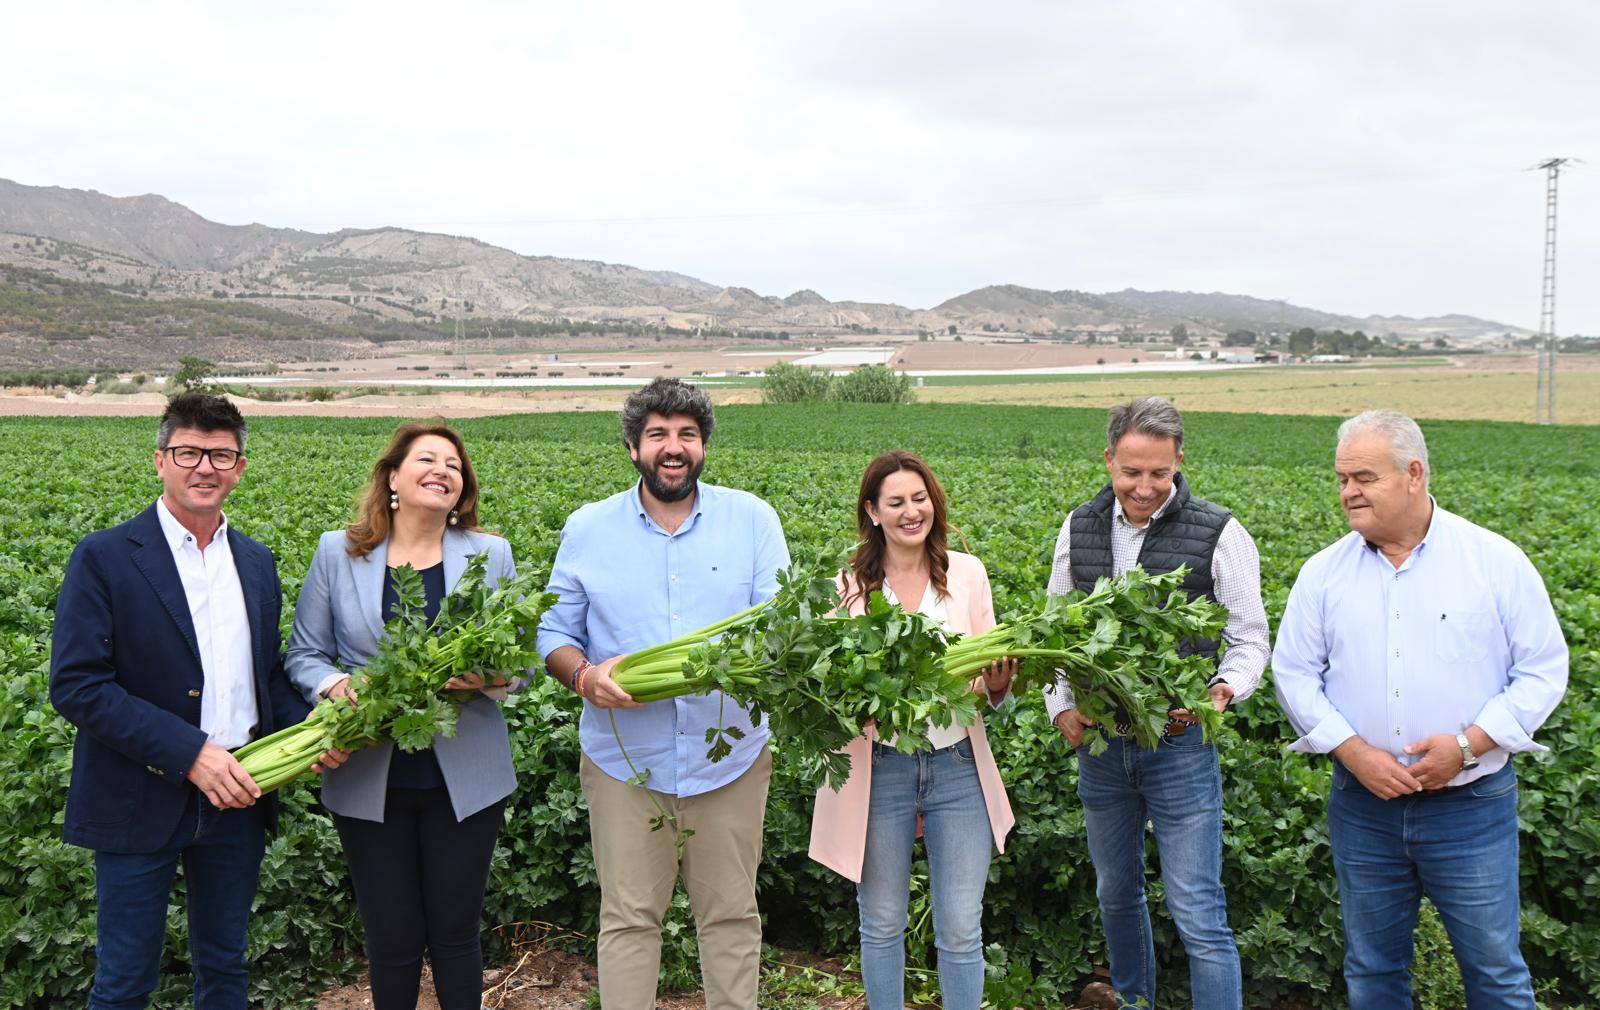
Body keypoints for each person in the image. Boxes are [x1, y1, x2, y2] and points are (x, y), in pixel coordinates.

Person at [1272, 410, 1567, 1009]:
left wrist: (1468, 745)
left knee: (1495, 972)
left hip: (1471, 808)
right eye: (1342, 478)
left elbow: (1542, 669)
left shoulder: (1494, 562)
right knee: (1374, 971)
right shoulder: (1324, 573)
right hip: (1364, 808)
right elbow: (1294, 673)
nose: (1348, 492)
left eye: (1363, 477)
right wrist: (1354, 754)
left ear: (1413, 473)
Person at [49, 393, 312, 1010]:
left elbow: (265, 676)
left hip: (238, 795)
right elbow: (79, 684)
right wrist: (191, 753)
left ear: (240, 467)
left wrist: (313, 732)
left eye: (221, 454)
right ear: (160, 461)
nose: (205, 467)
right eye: (188, 451)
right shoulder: (105, 557)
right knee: (124, 981)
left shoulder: (255, 561)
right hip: (137, 791)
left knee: (225, 970)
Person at [536, 378, 789, 1010]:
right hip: (625, 763)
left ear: (703, 446)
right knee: (627, 917)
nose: (672, 448)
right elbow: (554, 632)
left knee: (731, 916)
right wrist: (583, 676)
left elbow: (782, 628)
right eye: (658, 435)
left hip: (728, 760)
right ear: (633, 448)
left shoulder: (752, 519)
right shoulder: (588, 527)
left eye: (687, 435)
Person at [1042, 396, 1269, 1010]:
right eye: (1131, 472)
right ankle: (1134, 1001)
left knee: (1197, 905)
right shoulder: (1078, 527)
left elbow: (1249, 637)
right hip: (1103, 750)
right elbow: (1051, 634)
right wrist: (1060, 708)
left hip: (1179, 746)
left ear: (1178, 463)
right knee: (1116, 892)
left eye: (1159, 474)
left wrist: (1222, 692)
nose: (1144, 488)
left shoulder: (1221, 531)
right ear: (1109, 459)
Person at [285, 421, 521, 1010]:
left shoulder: (490, 555)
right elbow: (304, 653)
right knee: (390, 937)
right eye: (427, 459)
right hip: (368, 771)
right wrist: (337, 685)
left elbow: (521, 664)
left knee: (456, 933)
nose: (443, 470)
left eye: (454, 465)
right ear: (393, 476)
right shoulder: (337, 552)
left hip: (467, 775)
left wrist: (491, 677)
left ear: (461, 488)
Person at [808, 450, 1017, 1010]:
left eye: (919, 499)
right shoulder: (846, 587)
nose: (910, 512)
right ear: (873, 511)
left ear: (933, 504)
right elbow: (830, 690)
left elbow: (991, 675)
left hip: (957, 768)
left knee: (961, 928)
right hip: (880, 771)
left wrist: (997, 684)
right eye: (895, 502)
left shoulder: (968, 574)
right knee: (880, 923)